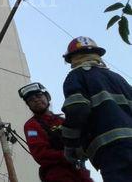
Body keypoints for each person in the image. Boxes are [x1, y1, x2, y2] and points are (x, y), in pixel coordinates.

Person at [61, 36, 132, 182]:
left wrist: (70, 145)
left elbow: (77, 110)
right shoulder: (117, 78)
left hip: (111, 151)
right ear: (97, 54)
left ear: (72, 58)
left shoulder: (75, 76)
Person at [19, 82, 92, 181]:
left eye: (39, 95)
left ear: (47, 97)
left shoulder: (62, 120)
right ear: (29, 106)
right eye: (31, 100)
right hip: (58, 174)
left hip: (80, 172)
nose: (36, 100)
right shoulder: (31, 126)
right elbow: (41, 154)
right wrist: (69, 154)